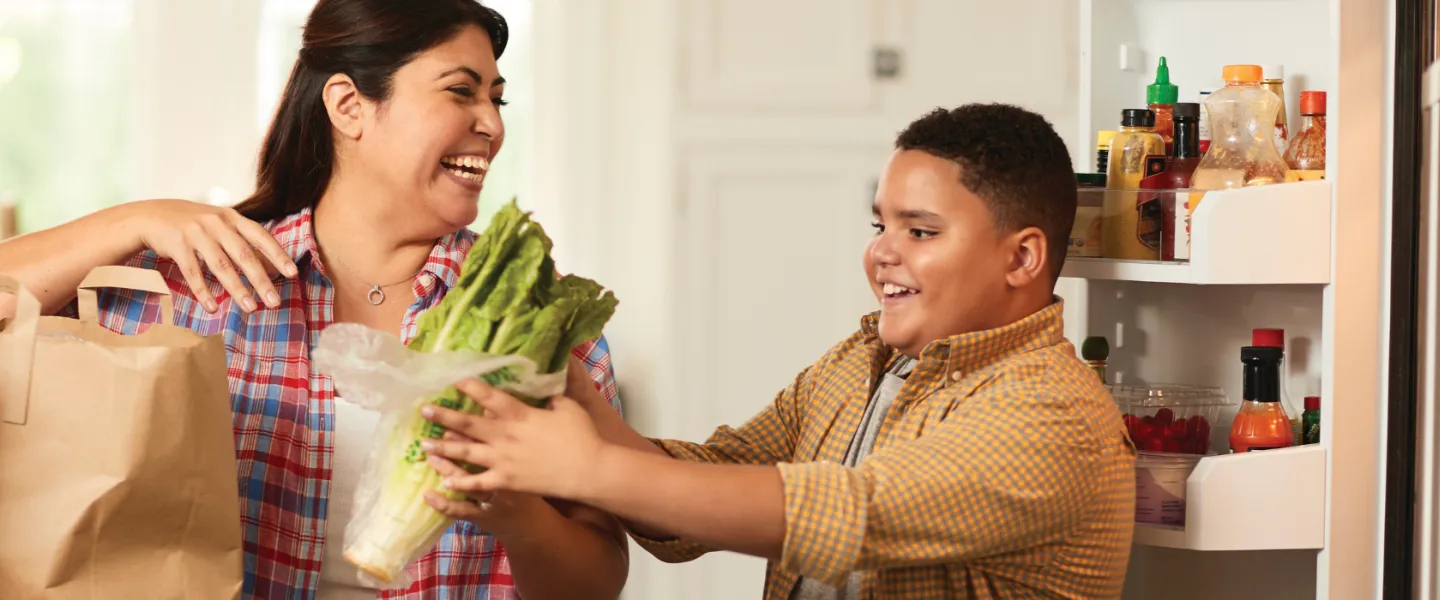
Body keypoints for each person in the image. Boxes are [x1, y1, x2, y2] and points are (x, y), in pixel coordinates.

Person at [0, 1, 628, 599]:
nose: (492, 124)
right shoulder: (203, 283)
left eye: (497, 98)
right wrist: (130, 221)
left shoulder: (535, 329)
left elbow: (596, 584)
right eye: (461, 91)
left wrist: (516, 517)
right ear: (350, 105)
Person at [416, 104, 1137, 599]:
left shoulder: (1053, 414)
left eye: (919, 232)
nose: (881, 252)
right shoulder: (860, 366)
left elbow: (852, 515)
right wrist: (564, 383)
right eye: (879, 223)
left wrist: (584, 467)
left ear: (1022, 259)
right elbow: (698, 491)